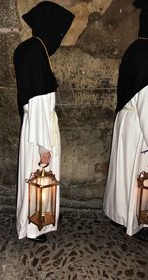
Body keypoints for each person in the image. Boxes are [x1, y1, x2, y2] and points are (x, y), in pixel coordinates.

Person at [13, 1, 74, 242]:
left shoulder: (32, 48)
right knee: (38, 176)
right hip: (40, 129)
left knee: (38, 178)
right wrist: (43, 145)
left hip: (38, 125)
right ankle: (34, 226)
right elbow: (37, 98)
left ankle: (39, 221)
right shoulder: (35, 51)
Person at [103, 0, 148, 241]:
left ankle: (121, 216)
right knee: (138, 176)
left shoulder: (135, 49)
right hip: (140, 124)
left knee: (125, 174)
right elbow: (147, 101)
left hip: (128, 120)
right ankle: (138, 223)